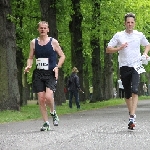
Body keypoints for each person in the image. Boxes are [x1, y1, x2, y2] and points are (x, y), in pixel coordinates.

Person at [106, 12, 150, 130]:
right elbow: (108, 49)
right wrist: (119, 48)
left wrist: (145, 53)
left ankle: (132, 116)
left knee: (135, 90)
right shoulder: (119, 35)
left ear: (134, 23)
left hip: (136, 66)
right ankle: (131, 114)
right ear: (125, 23)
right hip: (124, 66)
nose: (130, 24)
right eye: (128, 23)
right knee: (127, 93)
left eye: (132, 22)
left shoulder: (139, 35)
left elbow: (147, 44)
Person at [24, 21, 65, 131]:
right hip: (38, 73)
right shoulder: (33, 42)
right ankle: (46, 123)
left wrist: (57, 66)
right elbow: (30, 57)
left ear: (48, 29)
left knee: (48, 97)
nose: (42, 30)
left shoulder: (53, 42)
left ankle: (53, 112)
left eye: (44, 28)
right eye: (41, 28)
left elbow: (62, 56)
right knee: (41, 99)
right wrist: (28, 65)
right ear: (38, 29)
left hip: (51, 73)